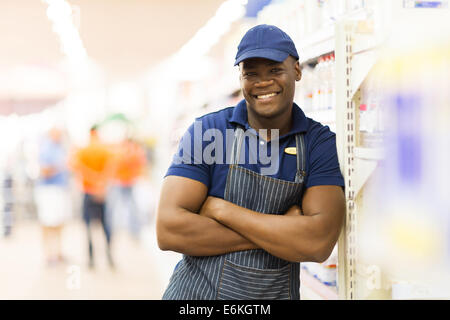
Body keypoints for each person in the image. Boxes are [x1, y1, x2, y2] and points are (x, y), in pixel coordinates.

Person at [156, 24, 346, 300]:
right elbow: (168, 230)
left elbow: (317, 244)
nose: (262, 82)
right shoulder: (208, 132)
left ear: (297, 70)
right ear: (240, 78)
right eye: (251, 74)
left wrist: (222, 210)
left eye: (274, 70)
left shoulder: (318, 142)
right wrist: (283, 230)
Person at [70, 125, 115, 269]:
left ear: (90, 133)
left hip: (88, 191)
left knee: (88, 226)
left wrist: (93, 182)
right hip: (101, 192)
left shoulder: (83, 150)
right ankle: (109, 256)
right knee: (105, 225)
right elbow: (111, 168)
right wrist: (101, 184)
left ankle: (91, 259)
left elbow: (77, 168)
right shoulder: (105, 149)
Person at [34, 127, 70, 266]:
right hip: (48, 190)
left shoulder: (60, 147)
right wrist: (60, 166)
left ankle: (58, 251)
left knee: (60, 222)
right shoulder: (46, 148)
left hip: (60, 188)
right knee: (47, 222)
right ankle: (48, 253)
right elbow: (44, 171)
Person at [107, 137, 147, 239]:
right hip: (121, 181)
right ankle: (113, 229)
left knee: (131, 207)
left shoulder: (131, 151)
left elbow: (139, 164)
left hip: (128, 182)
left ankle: (134, 230)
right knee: (119, 207)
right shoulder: (126, 151)